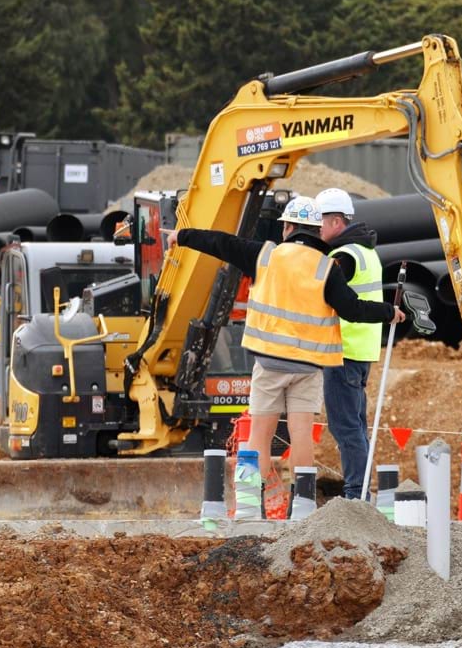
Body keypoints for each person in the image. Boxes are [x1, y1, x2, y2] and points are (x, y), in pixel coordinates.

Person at [162, 195, 405, 497]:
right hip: (309, 366)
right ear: (317, 231)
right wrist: (388, 312)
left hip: (271, 362)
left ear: (288, 227)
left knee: (259, 436)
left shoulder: (266, 256)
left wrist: (182, 236)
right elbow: (353, 309)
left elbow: (222, 243)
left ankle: (255, 501)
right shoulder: (326, 267)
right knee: (301, 434)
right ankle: (301, 504)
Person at [316, 187, 385, 500]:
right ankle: (361, 492)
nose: (317, 230)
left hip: (342, 350)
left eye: (319, 222)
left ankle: (356, 494)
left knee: (346, 428)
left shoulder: (343, 256)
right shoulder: (366, 251)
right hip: (361, 351)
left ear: (335, 222)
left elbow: (325, 296)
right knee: (355, 427)